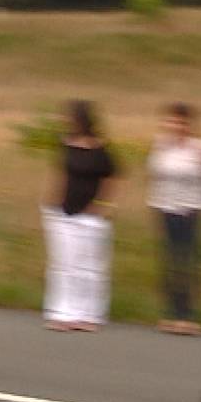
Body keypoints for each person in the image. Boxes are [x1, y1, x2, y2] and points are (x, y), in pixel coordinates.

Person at [41, 100, 118, 332]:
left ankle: (90, 314)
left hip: (91, 214)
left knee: (90, 267)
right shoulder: (65, 144)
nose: (66, 121)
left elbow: (112, 178)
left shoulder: (100, 149)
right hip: (64, 211)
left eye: (70, 117)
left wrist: (103, 205)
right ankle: (62, 312)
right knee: (63, 264)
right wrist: (51, 199)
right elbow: (61, 173)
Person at [146, 102, 201, 334]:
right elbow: (154, 176)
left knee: (189, 262)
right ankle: (170, 313)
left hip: (191, 209)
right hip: (165, 208)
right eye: (172, 121)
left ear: (189, 125)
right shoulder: (160, 145)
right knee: (169, 261)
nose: (176, 126)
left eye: (181, 122)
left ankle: (189, 316)